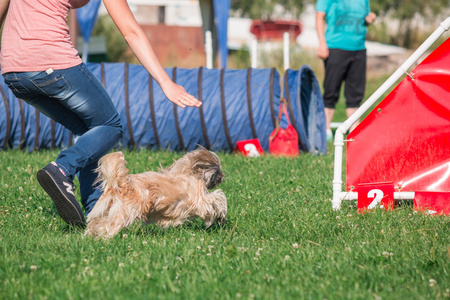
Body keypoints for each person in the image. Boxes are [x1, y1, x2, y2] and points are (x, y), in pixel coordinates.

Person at [0, 0, 202, 227]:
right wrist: (166, 83)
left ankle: (95, 211)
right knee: (110, 124)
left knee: (88, 129)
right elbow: (131, 33)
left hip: (13, 70)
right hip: (50, 60)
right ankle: (62, 169)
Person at [315, 0, 376, 141]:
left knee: (355, 94)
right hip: (335, 46)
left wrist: (369, 19)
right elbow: (319, 17)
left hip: (359, 48)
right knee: (331, 91)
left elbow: (364, 20)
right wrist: (322, 44)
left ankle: (354, 131)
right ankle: (325, 130)